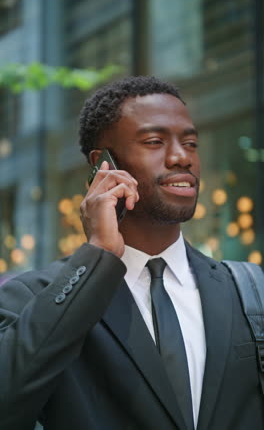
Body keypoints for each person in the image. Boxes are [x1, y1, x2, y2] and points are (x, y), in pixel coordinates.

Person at [0, 76, 263, 430]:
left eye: (191, 143)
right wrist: (98, 256)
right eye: (155, 141)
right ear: (103, 164)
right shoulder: (33, 298)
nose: (181, 157)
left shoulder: (251, 289)